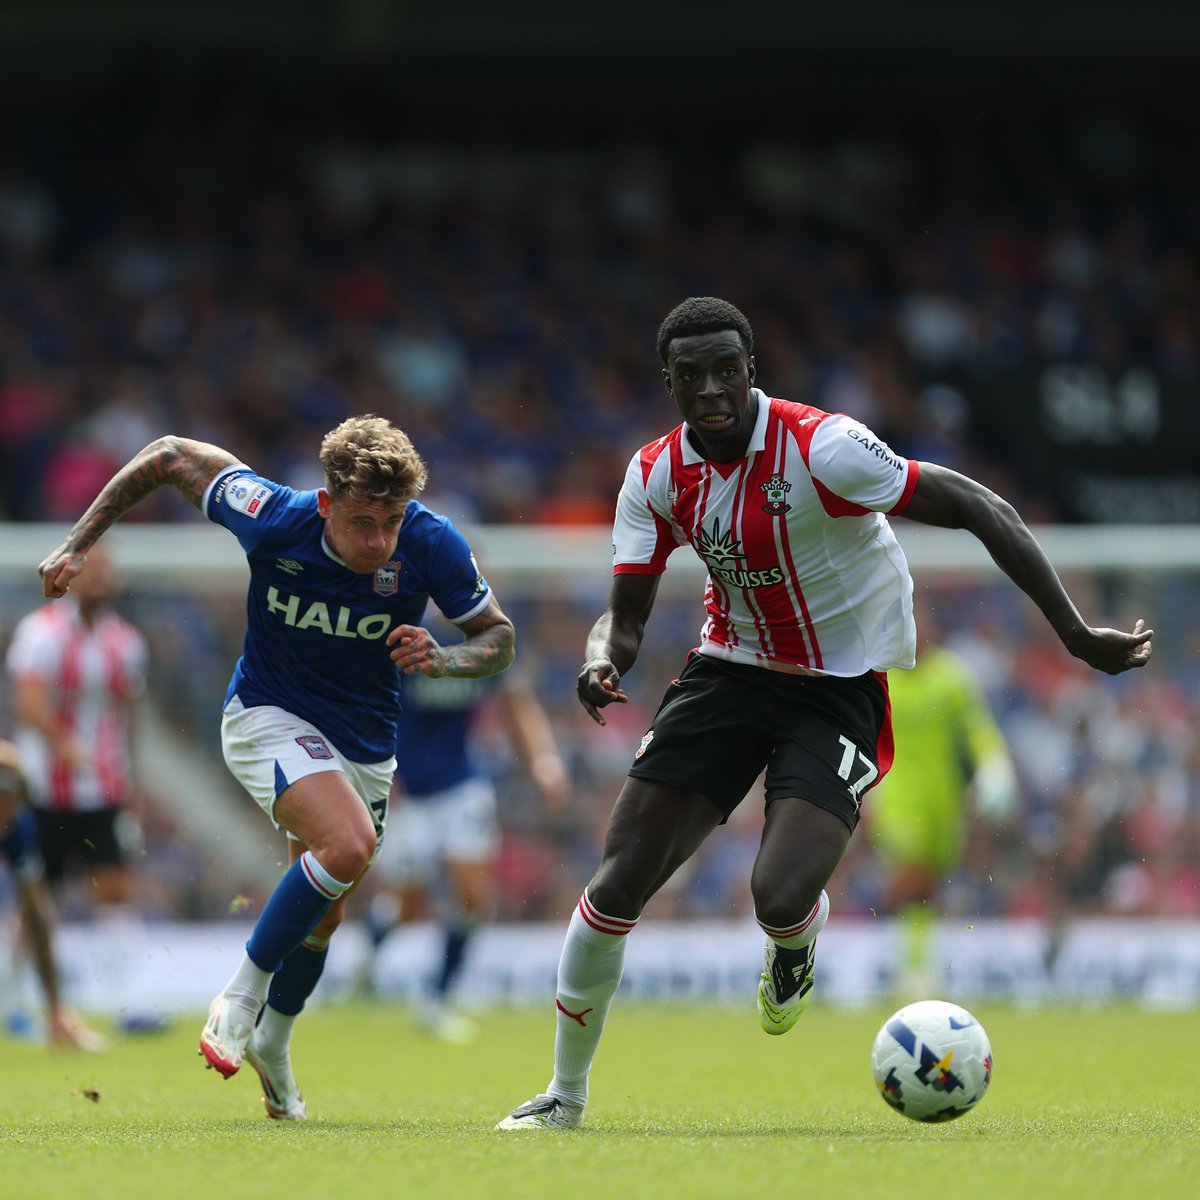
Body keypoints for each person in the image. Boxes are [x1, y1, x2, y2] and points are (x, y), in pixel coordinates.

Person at [497, 295, 1153, 1131]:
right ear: (668, 381)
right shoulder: (656, 473)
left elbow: (980, 506)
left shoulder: (825, 448)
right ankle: (565, 1095)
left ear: (750, 371)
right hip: (728, 670)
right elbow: (623, 617)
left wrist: (1071, 631)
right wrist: (600, 660)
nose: (710, 389)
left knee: (777, 893)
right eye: (690, 375)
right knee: (618, 879)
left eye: (725, 370)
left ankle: (794, 946)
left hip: (839, 685)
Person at [36, 415, 516, 1121]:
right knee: (347, 846)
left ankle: (277, 1045)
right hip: (267, 714)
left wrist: (445, 658)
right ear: (325, 505)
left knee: (325, 918)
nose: (379, 539)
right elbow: (170, 455)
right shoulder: (272, 514)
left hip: (364, 743)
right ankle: (240, 997)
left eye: (390, 521)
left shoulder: (431, 540)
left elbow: (499, 640)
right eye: (362, 522)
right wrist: (79, 543)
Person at [362, 616, 569, 1040]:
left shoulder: (489, 640)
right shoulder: (405, 634)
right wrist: (376, 771)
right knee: (409, 906)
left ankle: (436, 999)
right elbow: (370, 705)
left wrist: (544, 764)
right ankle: (368, 951)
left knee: (475, 897)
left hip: (462, 784)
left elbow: (518, 704)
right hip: (405, 786)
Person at [4, 544, 159, 1033]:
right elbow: (28, 703)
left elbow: (128, 715)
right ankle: (17, 1003)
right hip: (44, 789)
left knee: (114, 889)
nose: (100, 581)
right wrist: (64, 744)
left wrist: (133, 779)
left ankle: (125, 1003)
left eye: (108, 573)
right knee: (37, 897)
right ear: (73, 578)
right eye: (92, 573)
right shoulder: (41, 632)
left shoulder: (127, 642)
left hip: (104, 789)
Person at [867, 600, 1019, 998]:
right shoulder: (882, 675)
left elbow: (978, 730)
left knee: (928, 887)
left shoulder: (952, 678)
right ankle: (914, 972)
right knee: (912, 876)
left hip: (945, 801)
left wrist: (994, 765)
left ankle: (917, 964)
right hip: (897, 795)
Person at [0, 740, 108, 1051]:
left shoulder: (19, 829)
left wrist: (55, 1007)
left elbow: (36, 915)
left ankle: (59, 1018)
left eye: (8, 802)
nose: (3, 813)